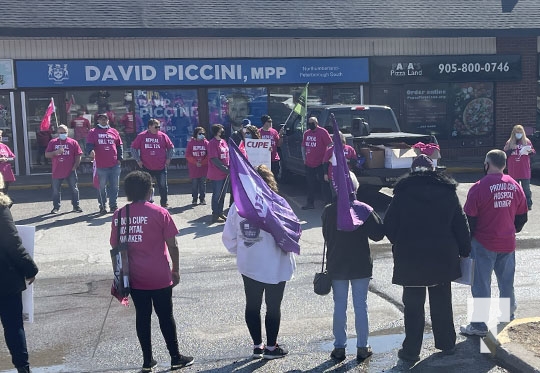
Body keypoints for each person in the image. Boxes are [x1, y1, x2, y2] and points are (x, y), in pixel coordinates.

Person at [384, 154, 471, 362]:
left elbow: (389, 226)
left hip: (410, 258)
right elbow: (461, 224)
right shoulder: (448, 192)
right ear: (434, 170)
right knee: (441, 303)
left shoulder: (402, 193)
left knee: (413, 307)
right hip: (442, 257)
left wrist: (400, 241)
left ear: (412, 171)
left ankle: (411, 350)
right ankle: (447, 343)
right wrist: (464, 250)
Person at [110, 171, 194, 372]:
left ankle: (147, 361)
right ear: (149, 190)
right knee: (166, 316)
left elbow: (115, 246)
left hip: (135, 278)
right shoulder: (160, 213)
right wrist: (176, 270)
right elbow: (173, 245)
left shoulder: (120, 214)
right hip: (160, 276)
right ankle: (175, 357)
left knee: (143, 317)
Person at [222, 164, 296, 360]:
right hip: (276, 265)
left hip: (250, 265)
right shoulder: (279, 204)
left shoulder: (237, 207)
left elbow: (228, 239)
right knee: (273, 306)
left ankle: (257, 346)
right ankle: (271, 347)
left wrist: (246, 251)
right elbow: (294, 231)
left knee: (252, 305)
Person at [460, 149, 528, 337]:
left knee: (481, 284)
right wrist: (510, 230)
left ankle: (480, 325)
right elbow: (522, 216)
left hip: (483, 242)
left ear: (487, 164)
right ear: (504, 164)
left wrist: (467, 242)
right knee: (506, 281)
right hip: (507, 241)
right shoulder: (515, 185)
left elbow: (470, 219)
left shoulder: (479, 187)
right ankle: (507, 315)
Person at [322, 172, 384, 362]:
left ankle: (339, 347)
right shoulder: (363, 209)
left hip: (337, 264)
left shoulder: (328, 211)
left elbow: (326, 236)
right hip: (360, 265)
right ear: (355, 188)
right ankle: (362, 346)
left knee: (339, 306)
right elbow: (378, 235)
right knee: (360, 306)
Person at [0, 173, 39, 373]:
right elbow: (13, 244)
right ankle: (23, 368)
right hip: (4, 279)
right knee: (13, 325)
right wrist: (30, 268)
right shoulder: (0, 209)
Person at [131, 118, 174, 209]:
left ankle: (164, 203)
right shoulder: (142, 136)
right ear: (150, 127)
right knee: (147, 185)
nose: (158, 128)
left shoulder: (163, 136)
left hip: (161, 166)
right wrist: (138, 160)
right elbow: (133, 148)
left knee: (163, 185)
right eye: (156, 126)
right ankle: (148, 202)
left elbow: (170, 147)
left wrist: (168, 158)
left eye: (159, 126)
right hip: (146, 166)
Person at [86, 113, 123, 214]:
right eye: (101, 119)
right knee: (101, 187)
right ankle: (102, 206)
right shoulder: (93, 132)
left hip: (114, 164)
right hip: (100, 165)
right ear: (98, 121)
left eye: (105, 119)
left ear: (108, 120)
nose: (103, 120)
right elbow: (89, 145)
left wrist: (120, 158)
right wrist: (90, 151)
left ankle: (113, 205)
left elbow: (119, 145)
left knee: (115, 186)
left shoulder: (114, 131)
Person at [44, 124, 83, 213]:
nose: (62, 134)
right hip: (57, 170)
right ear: (57, 133)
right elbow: (46, 155)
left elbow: (78, 155)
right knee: (56, 190)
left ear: (67, 132)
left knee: (74, 189)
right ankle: (56, 207)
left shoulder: (73, 142)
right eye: (61, 132)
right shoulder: (53, 142)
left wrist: (75, 166)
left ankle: (76, 206)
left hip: (70, 170)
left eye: (64, 132)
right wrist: (56, 152)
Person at [301, 117, 332, 209]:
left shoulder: (323, 132)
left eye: (313, 123)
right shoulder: (307, 133)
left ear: (317, 123)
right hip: (309, 163)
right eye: (309, 123)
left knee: (324, 184)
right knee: (310, 184)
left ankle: (328, 203)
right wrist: (304, 159)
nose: (311, 124)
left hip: (321, 163)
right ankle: (310, 203)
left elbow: (330, 145)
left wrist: (327, 158)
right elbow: (303, 146)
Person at [503, 124, 535, 210]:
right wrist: (512, 149)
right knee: (513, 189)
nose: (519, 134)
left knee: (526, 189)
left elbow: (533, 152)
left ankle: (528, 204)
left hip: (524, 170)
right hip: (513, 170)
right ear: (513, 133)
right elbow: (505, 154)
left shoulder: (527, 142)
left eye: (520, 132)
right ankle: (514, 204)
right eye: (517, 132)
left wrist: (529, 151)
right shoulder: (509, 142)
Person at [322, 131, 357, 198]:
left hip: (347, 175)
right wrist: (325, 174)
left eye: (341, 140)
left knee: (348, 193)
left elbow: (355, 161)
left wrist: (348, 161)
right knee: (335, 194)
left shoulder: (349, 149)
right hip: (333, 175)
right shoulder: (330, 150)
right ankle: (336, 206)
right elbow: (325, 162)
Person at [207, 124, 229, 223]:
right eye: (221, 130)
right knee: (217, 194)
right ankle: (215, 214)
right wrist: (225, 169)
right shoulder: (212, 143)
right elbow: (214, 159)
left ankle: (220, 212)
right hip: (217, 173)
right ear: (217, 132)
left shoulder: (223, 142)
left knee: (223, 194)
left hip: (226, 173)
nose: (223, 131)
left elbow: (227, 155)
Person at [186, 126, 209, 206]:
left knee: (203, 184)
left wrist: (202, 162)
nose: (202, 135)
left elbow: (209, 155)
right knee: (194, 184)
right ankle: (194, 199)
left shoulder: (206, 143)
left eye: (203, 133)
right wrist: (195, 162)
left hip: (203, 167)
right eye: (200, 133)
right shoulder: (191, 143)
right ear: (196, 134)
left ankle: (202, 199)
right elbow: (188, 155)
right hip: (194, 167)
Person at [0, 129, 16, 194]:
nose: (0, 137)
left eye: (0, 136)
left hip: (6, 173)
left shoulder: (4, 146)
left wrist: (7, 159)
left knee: (5, 191)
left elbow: (12, 157)